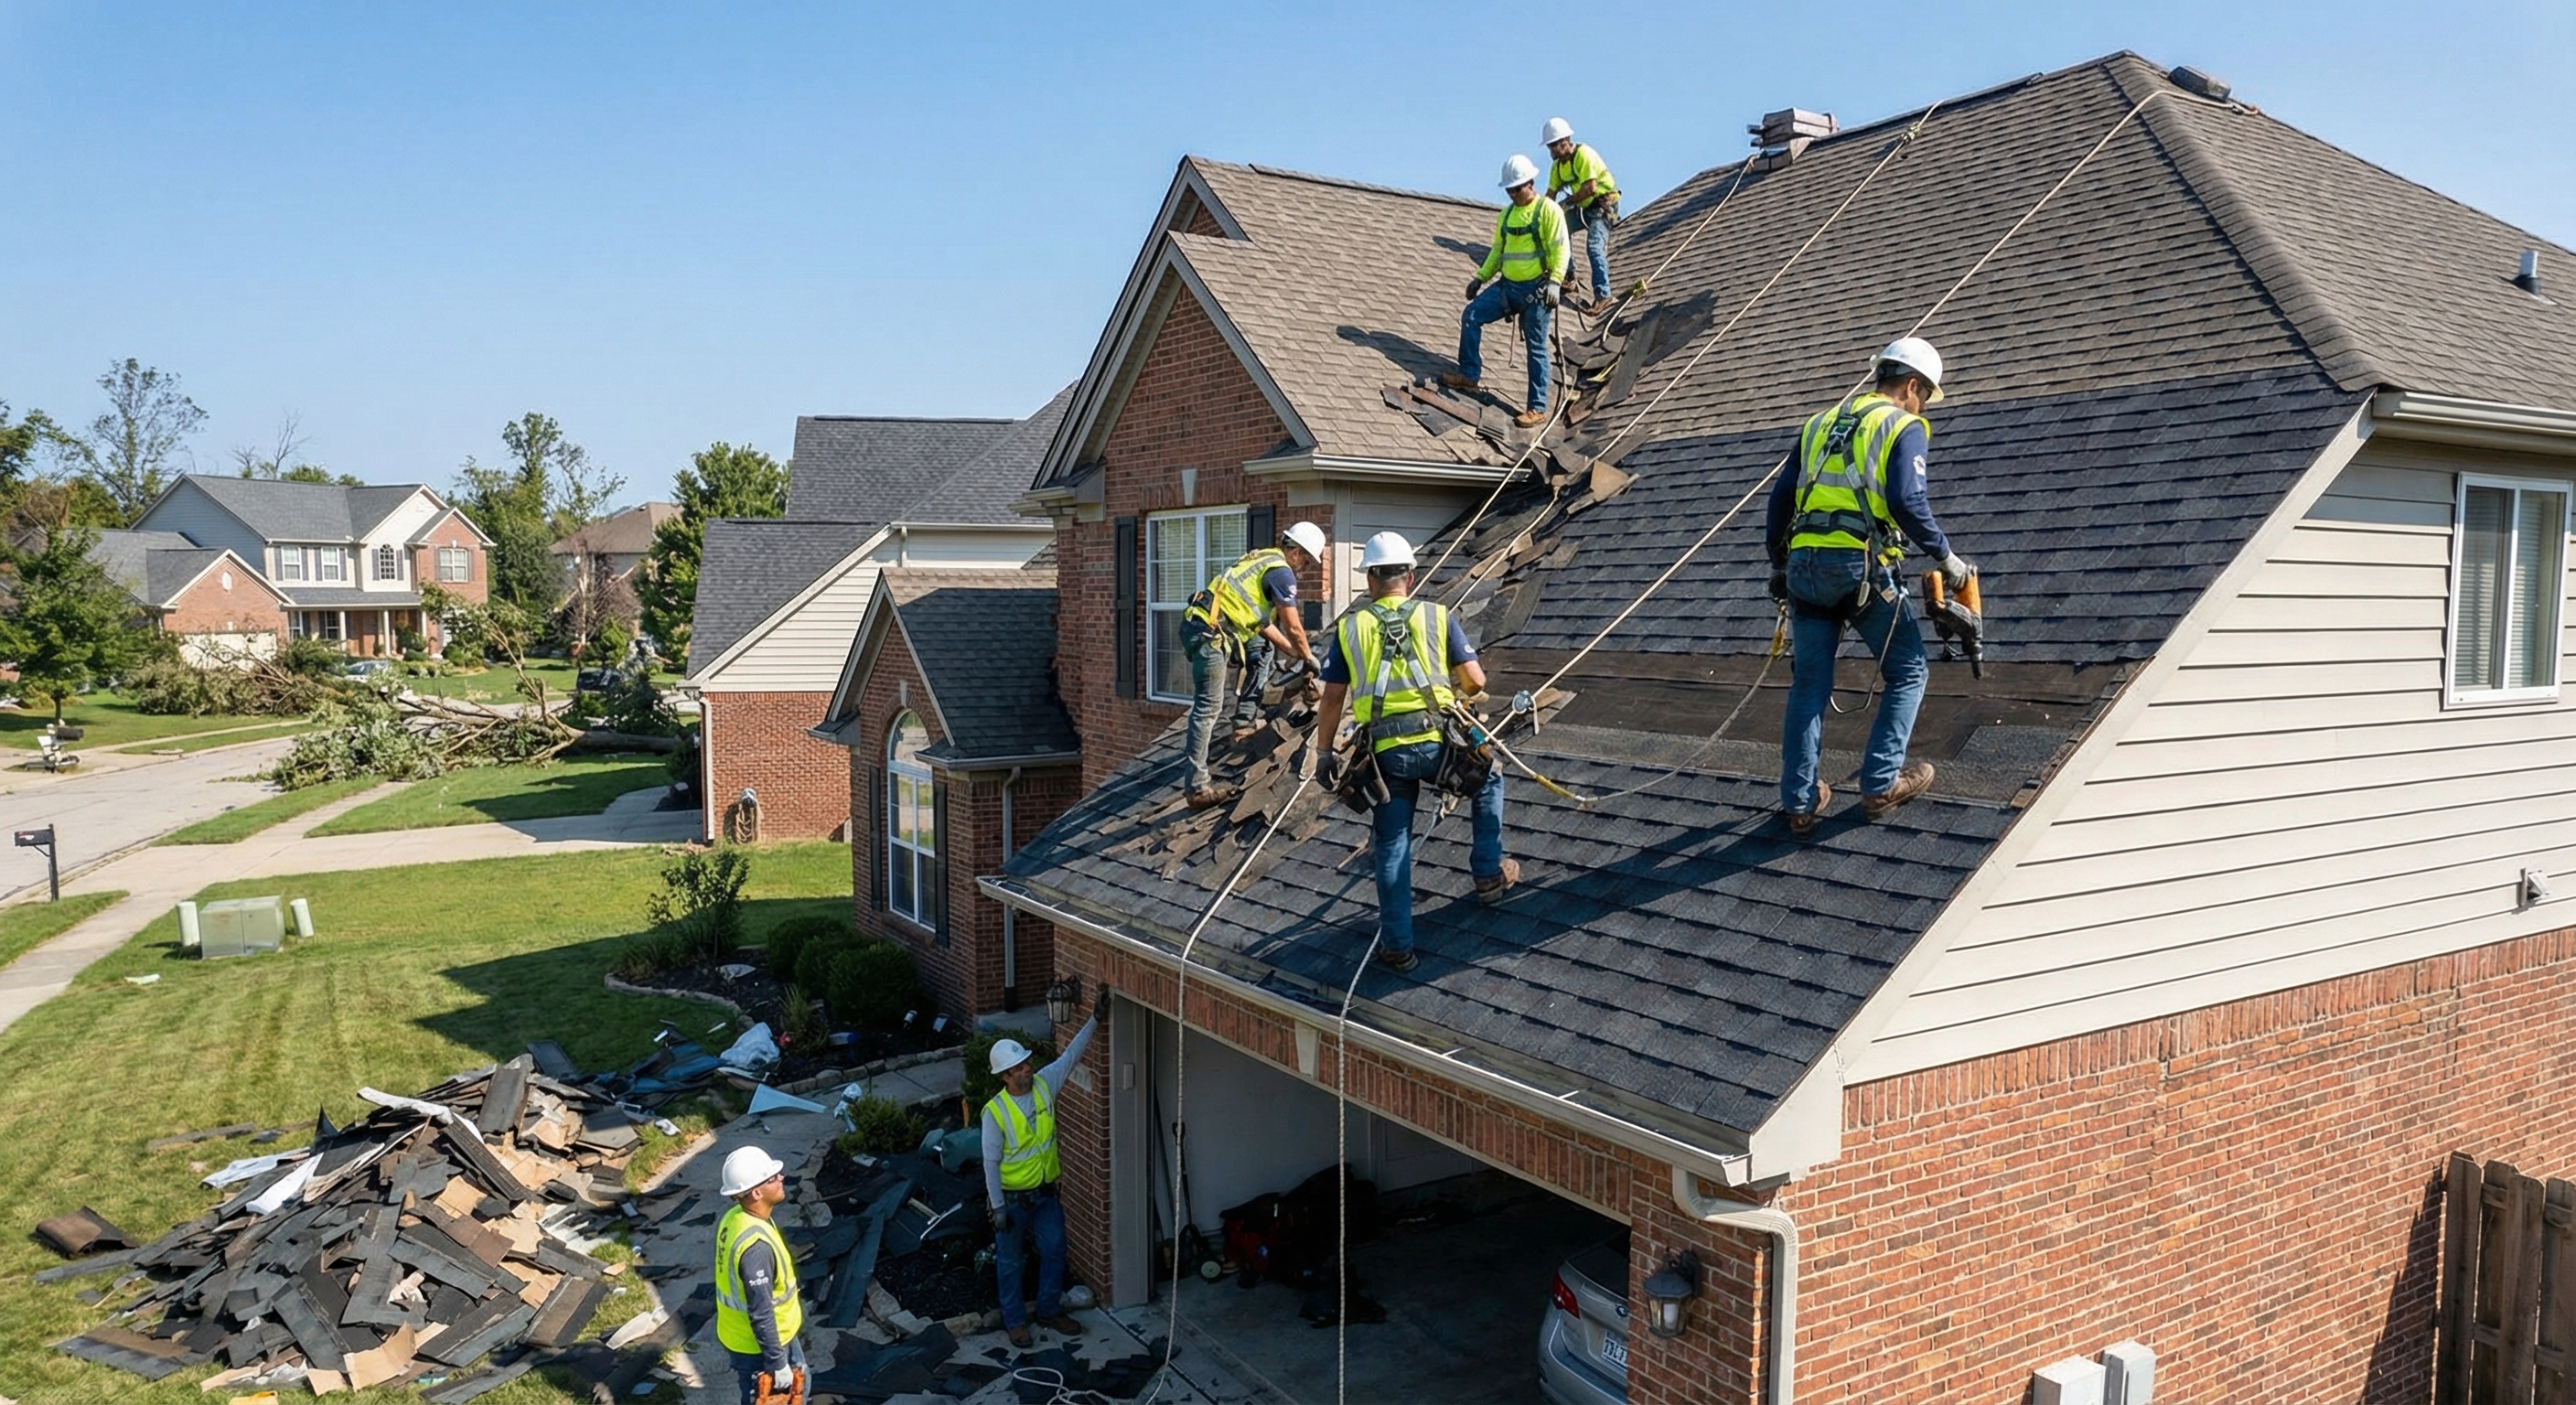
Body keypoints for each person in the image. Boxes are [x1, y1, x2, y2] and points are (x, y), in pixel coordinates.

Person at [1765, 337, 1975, 836]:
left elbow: (1781, 499)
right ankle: (1880, 785)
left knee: (1809, 684)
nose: (1924, 406)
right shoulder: (1902, 425)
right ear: (1911, 386)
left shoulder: (1819, 423)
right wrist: (1948, 560)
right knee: (1908, 670)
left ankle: (1799, 802)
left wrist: (1779, 563)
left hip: (1804, 569)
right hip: (1860, 568)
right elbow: (1906, 500)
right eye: (1925, 396)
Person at [1310, 531, 1516, 972]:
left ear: (1369, 579)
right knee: (1489, 777)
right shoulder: (1437, 616)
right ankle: (1488, 874)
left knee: (1392, 843)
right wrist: (1452, 692)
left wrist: (1324, 753)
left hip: (1386, 754)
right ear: (1411, 577)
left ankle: (1398, 947)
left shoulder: (1350, 628)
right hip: (1439, 743)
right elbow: (1476, 682)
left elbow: (1332, 699)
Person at [1179, 520, 1329, 809]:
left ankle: (1243, 724)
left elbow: (1261, 624)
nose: (1304, 567)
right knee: (1208, 709)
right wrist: (1309, 657)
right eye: (1306, 560)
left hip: (1211, 626)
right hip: (1209, 634)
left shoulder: (1264, 559)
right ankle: (1196, 788)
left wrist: (1294, 653)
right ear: (1295, 551)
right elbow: (1293, 626)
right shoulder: (1281, 573)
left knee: (1261, 648)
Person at [982, 997, 1101, 1346]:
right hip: (1012, 1201)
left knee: (1055, 1250)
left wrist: (1095, 1019)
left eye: (1026, 1063)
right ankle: (1015, 1322)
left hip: (1046, 1195)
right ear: (1005, 1076)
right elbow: (990, 1163)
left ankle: (1048, 1311)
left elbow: (1070, 1057)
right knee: (1010, 1263)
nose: (1026, 1069)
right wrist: (997, 1207)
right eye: (1018, 1067)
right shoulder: (995, 1112)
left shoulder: (1045, 1084)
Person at [1442, 155, 1570, 430]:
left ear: (1530, 183)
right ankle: (1469, 374)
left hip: (1538, 291)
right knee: (1471, 316)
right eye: (1509, 190)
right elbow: (1498, 251)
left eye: (1517, 188)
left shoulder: (1548, 211)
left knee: (1536, 346)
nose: (1513, 194)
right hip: (1508, 288)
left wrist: (1556, 281)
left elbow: (1561, 249)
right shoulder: (1507, 215)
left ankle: (1537, 407)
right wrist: (1480, 278)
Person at [714, 1144, 806, 1405]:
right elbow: (761, 1310)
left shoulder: (736, 1217)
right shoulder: (755, 1249)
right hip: (761, 1349)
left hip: (753, 1338)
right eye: (772, 1178)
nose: (781, 1178)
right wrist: (777, 1363)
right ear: (756, 1192)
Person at [1541, 117, 1620, 308]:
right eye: (1550, 146)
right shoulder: (1557, 167)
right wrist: (1540, 217)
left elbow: (1590, 188)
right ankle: (1568, 277)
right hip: (1584, 207)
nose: (1552, 150)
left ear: (1566, 140)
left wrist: (1566, 203)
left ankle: (1603, 295)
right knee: (1560, 229)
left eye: (1555, 145)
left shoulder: (1583, 155)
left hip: (1603, 205)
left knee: (1594, 247)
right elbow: (1550, 196)